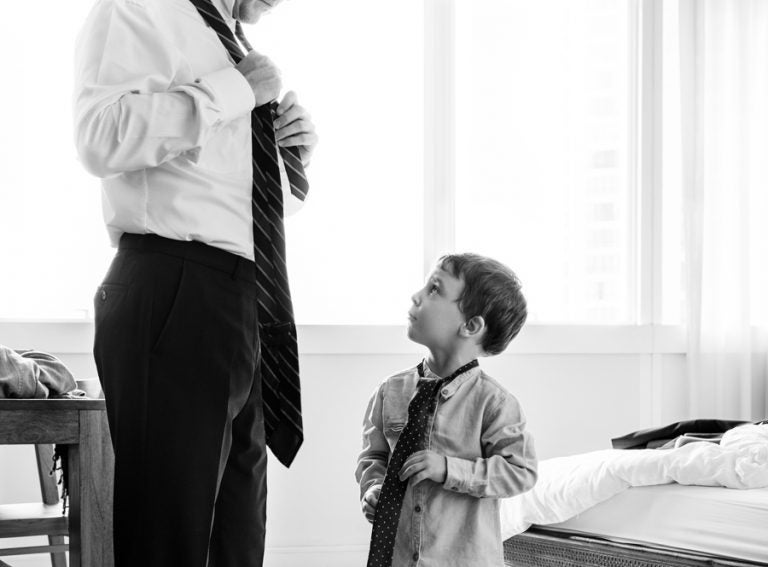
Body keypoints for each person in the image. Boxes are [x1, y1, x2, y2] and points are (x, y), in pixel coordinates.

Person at [73, 0, 317, 565]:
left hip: (244, 301)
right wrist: (231, 92)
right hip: (174, 287)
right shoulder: (139, 10)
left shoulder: (229, 41)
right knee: (168, 539)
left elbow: (230, 200)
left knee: (237, 540)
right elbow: (99, 138)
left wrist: (293, 156)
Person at [355, 253, 538, 567]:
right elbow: (373, 457)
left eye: (435, 289)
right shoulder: (390, 391)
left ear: (470, 325)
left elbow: (521, 472)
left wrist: (449, 469)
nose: (417, 296)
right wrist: (372, 488)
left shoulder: (494, 403)